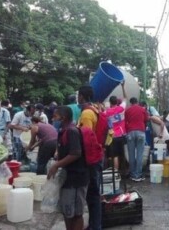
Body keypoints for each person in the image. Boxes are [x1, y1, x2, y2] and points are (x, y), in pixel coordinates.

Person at [47, 106, 89, 230]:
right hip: (68, 178)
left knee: (76, 214)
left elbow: (76, 153)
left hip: (77, 178)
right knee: (67, 212)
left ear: (63, 118)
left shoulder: (72, 131)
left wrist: (56, 165)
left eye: (55, 116)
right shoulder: (63, 131)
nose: (53, 119)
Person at [77, 85, 102, 230]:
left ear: (81, 96)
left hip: (91, 158)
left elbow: (86, 137)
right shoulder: (95, 109)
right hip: (96, 155)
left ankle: (95, 226)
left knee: (92, 194)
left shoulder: (87, 113)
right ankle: (94, 224)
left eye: (78, 95)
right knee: (93, 194)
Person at [103, 82, 127, 171]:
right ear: (117, 102)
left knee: (115, 155)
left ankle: (116, 173)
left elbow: (100, 113)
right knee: (122, 154)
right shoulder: (121, 108)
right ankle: (123, 172)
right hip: (122, 135)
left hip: (112, 136)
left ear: (110, 102)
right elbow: (125, 98)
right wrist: (123, 87)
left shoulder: (107, 112)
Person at [125, 97, 149, 182]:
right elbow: (146, 120)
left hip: (130, 132)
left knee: (131, 155)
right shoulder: (142, 109)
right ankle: (138, 175)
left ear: (131, 103)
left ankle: (132, 174)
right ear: (137, 102)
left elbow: (126, 122)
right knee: (139, 154)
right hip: (141, 132)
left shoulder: (127, 110)